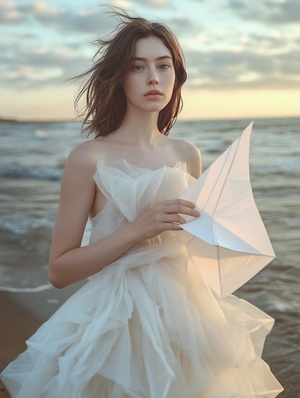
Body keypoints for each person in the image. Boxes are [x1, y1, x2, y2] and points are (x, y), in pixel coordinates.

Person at [1, 10, 283, 398]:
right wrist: (139, 228)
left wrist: (225, 236)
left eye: (163, 66)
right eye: (138, 66)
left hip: (189, 320)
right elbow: (60, 271)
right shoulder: (88, 157)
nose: (154, 77)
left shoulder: (188, 153)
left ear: (176, 76)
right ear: (119, 77)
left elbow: (195, 253)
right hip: (117, 318)